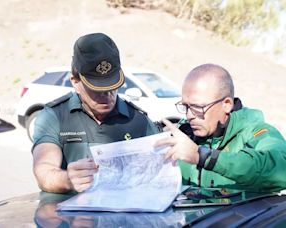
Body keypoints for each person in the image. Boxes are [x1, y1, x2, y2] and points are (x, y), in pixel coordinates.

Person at [32, 33, 161, 194]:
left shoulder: (139, 120)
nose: (106, 94)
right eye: (96, 88)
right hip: (71, 217)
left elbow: (159, 173)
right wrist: (67, 179)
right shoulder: (54, 116)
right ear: (76, 82)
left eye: (112, 86)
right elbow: (44, 171)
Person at [155, 63, 286, 192]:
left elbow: (281, 170)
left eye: (198, 107)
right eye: (186, 107)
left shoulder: (257, 132)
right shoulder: (183, 134)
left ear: (226, 104)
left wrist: (203, 157)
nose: (189, 115)